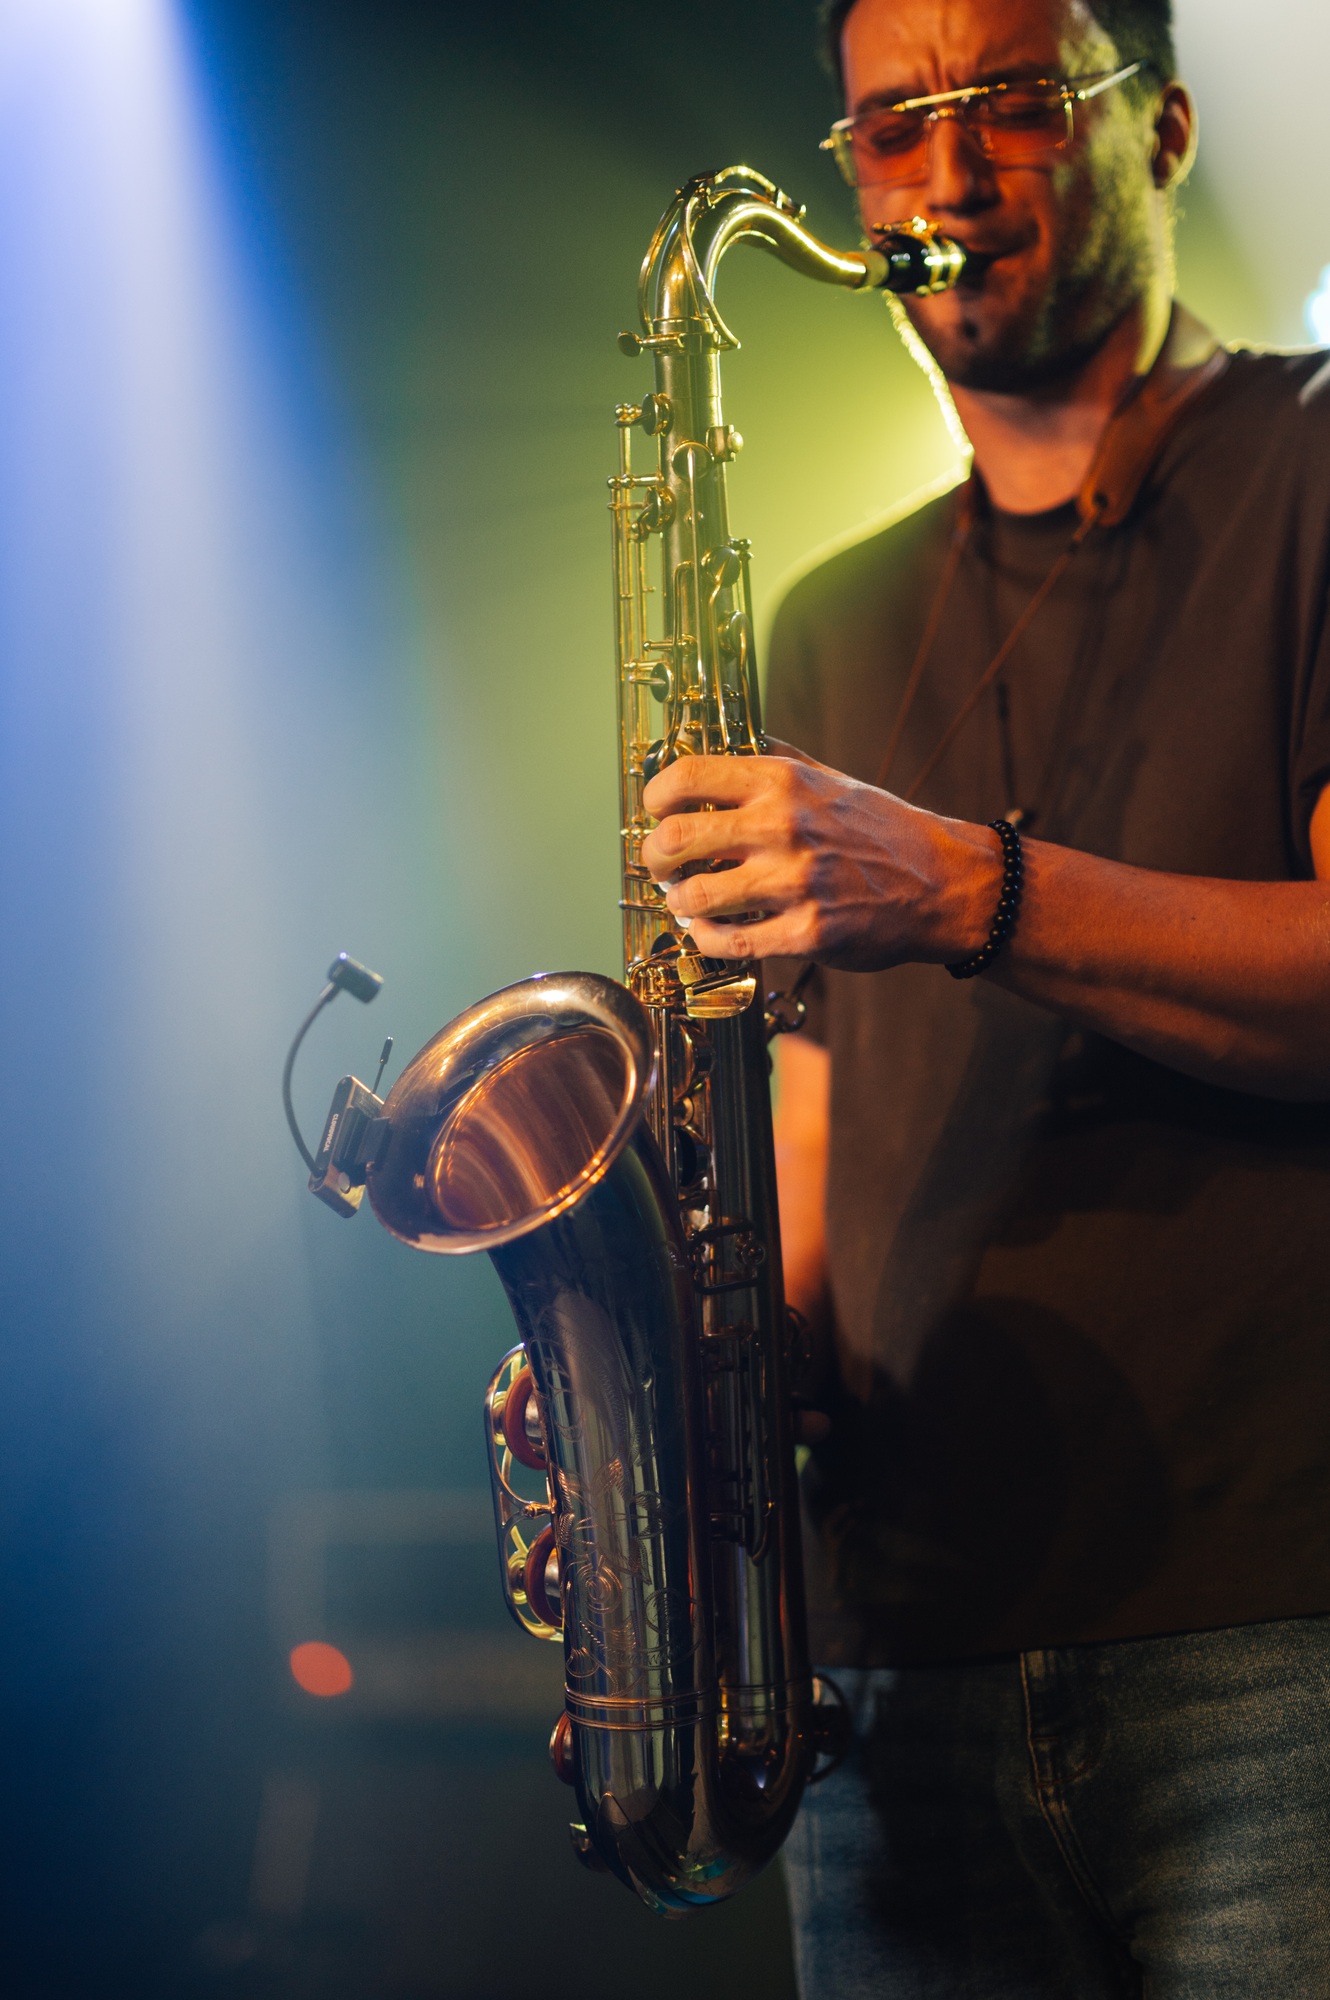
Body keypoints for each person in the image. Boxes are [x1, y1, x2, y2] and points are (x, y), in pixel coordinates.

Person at [640, 0, 1330, 1991]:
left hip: (1273, 1633)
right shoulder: (827, 613)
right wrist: (667, 1379)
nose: (941, 175)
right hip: (891, 1666)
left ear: (1166, 129)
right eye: (888, 127)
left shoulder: (1312, 464)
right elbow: (814, 1142)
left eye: (1011, 103)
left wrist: (962, 880)